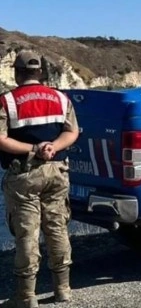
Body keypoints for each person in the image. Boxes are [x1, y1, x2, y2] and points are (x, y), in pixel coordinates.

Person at [0, 50, 80, 308]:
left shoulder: (7, 102)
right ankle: (63, 289)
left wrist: (33, 149)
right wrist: (52, 146)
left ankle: (26, 296)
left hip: (25, 173)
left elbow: (1, 138)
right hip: (57, 170)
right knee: (57, 227)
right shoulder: (60, 98)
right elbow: (72, 131)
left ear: (16, 73)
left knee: (27, 232)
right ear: (41, 72)